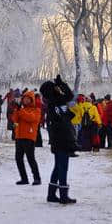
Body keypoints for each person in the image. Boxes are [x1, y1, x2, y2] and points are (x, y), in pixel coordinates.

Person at [41, 75, 76, 204]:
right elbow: (61, 123)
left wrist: (62, 84)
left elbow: (70, 96)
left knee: (58, 166)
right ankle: (63, 195)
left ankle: (51, 194)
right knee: (62, 167)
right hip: (61, 139)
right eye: (55, 87)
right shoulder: (53, 105)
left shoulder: (57, 101)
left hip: (62, 138)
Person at [13, 91, 42, 185]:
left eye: (27, 98)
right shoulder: (21, 109)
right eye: (24, 98)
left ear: (31, 100)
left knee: (30, 158)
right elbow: (14, 119)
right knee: (18, 158)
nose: (25, 100)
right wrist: (16, 110)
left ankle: (37, 178)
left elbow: (31, 118)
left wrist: (20, 111)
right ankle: (24, 178)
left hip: (29, 137)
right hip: (19, 136)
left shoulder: (36, 110)